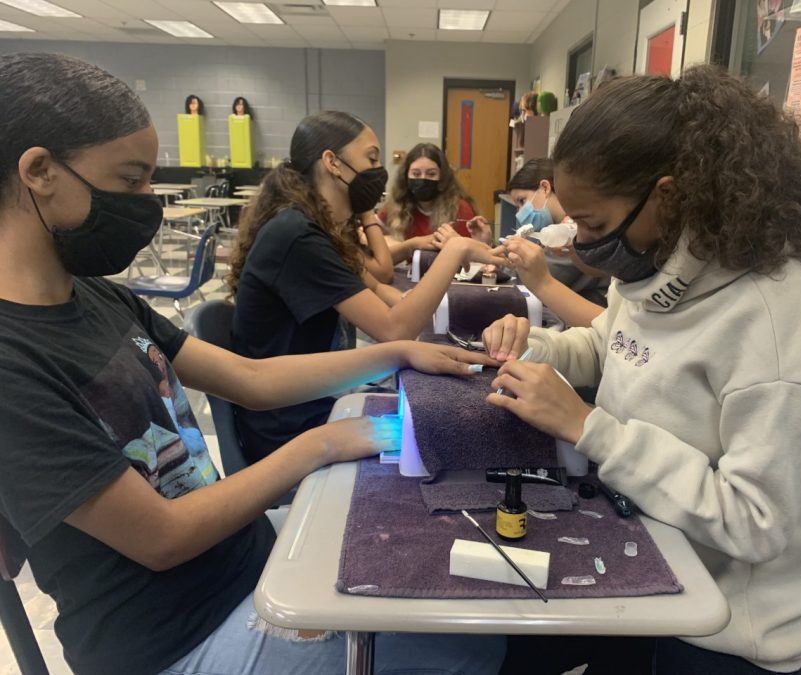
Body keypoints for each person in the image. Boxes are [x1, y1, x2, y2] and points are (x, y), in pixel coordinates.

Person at [0, 52, 505, 675]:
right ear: (40, 171)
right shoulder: (11, 362)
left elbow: (252, 378)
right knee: (463, 640)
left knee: (438, 545)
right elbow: (161, 537)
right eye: (130, 179)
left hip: (237, 559)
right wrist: (319, 444)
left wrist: (399, 350)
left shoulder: (102, 298)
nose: (145, 200)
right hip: (173, 639)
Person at [483, 66, 801, 673]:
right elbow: (608, 348)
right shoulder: (659, 272)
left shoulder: (782, 325)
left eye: (596, 226)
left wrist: (590, 428)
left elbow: (753, 522)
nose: (581, 243)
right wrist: (534, 351)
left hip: (726, 635)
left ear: (669, 195)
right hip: (646, 564)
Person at [227, 112, 505, 461]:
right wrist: (457, 249)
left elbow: (381, 290)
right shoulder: (297, 236)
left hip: (313, 402)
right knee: (444, 440)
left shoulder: (316, 228)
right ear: (332, 163)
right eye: (372, 158)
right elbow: (395, 329)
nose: (378, 171)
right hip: (292, 426)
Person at [503, 158, 608, 324]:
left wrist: (497, 258)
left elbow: (529, 279)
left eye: (522, 201)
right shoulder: (557, 232)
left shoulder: (572, 234)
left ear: (545, 188)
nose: (519, 213)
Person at [378, 142, 492, 266]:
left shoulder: (459, 209)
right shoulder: (396, 205)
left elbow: (472, 262)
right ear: (406, 177)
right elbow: (366, 237)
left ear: (442, 177)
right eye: (416, 174)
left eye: (431, 174)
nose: (423, 179)